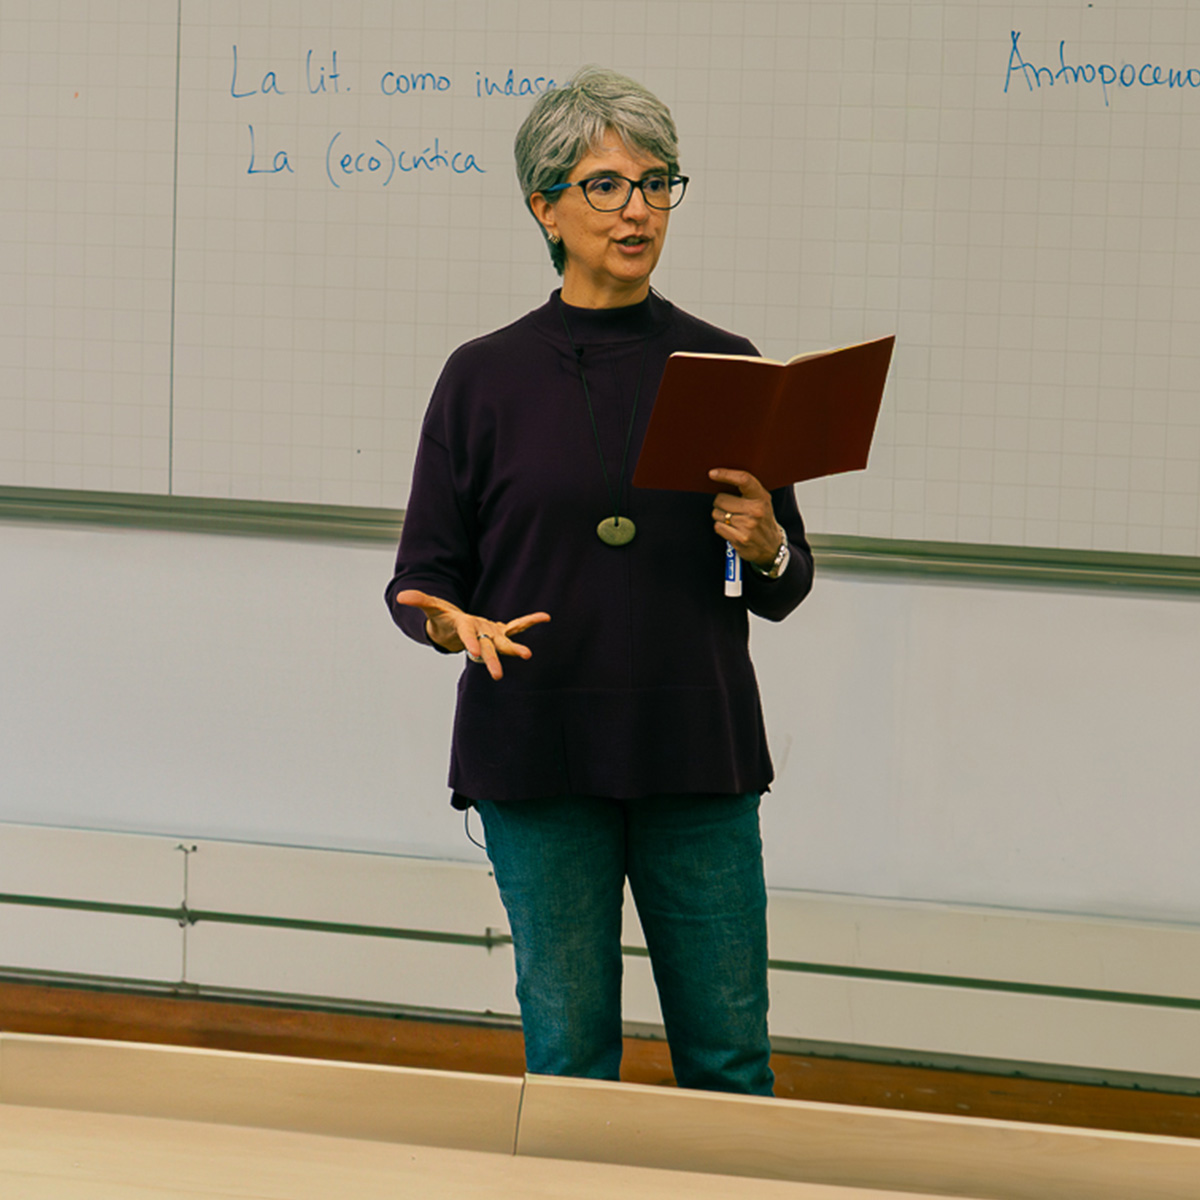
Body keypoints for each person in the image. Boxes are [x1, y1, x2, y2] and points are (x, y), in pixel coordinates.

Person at [385, 67, 813, 1096]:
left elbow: (786, 582)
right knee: (571, 1064)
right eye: (608, 186)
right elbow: (421, 581)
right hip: (538, 753)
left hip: (696, 756)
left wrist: (765, 545)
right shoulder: (483, 376)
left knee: (730, 1058)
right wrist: (453, 626)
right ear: (545, 206)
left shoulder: (730, 366)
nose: (639, 210)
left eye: (658, 183)